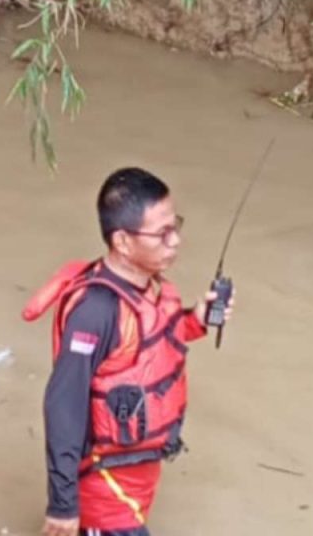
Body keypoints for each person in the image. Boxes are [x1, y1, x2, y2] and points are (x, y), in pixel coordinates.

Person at [22, 167, 235, 536]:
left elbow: (142, 351)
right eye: (162, 233)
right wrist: (62, 505)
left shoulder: (150, 289)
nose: (175, 241)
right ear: (122, 241)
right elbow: (63, 405)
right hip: (103, 485)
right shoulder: (95, 312)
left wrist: (196, 319)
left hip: (136, 473)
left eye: (176, 226)